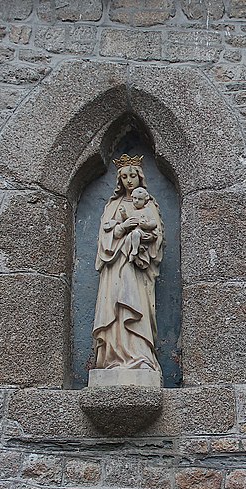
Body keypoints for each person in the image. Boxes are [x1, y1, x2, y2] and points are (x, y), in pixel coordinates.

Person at [92, 154, 164, 378]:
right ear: (119, 180)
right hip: (114, 266)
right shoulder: (113, 205)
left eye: (133, 175)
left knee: (137, 306)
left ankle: (141, 356)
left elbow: (157, 235)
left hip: (136, 267)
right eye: (124, 177)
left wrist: (142, 238)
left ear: (140, 178)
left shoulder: (148, 204)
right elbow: (103, 240)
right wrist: (122, 229)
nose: (129, 181)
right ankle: (112, 359)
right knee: (114, 307)